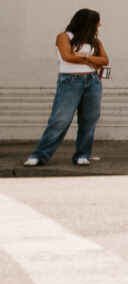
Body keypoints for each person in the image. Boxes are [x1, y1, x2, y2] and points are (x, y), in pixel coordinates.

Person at [26, 9, 108, 168]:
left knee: (89, 119)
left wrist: (83, 57)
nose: (99, 25)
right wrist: (92, 61)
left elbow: (105, 60)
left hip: (92, 81)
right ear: (87, 23)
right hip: (70, 81)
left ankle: (83, 155)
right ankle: (39, 156)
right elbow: (67, 56)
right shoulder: (64, 37)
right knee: (60, 119)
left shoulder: (95, 41)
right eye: (97, 21)